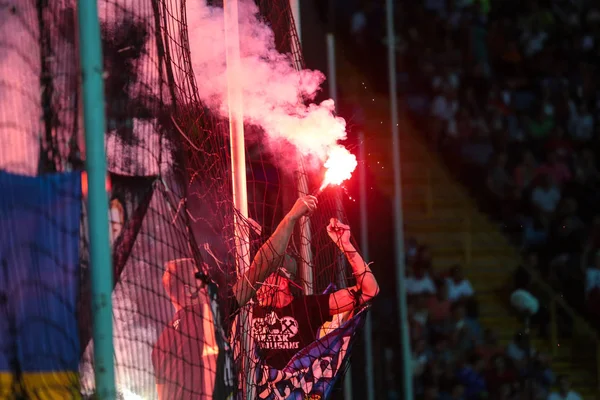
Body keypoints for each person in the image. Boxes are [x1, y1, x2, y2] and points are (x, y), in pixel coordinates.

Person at [152, 196, 319, 399]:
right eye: (202, 278)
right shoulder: (207, 314)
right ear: (188, 291)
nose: (210, 282)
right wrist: (291, 217)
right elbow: (262, 266)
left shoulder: (161, 343)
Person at [248, 202, 379, 370]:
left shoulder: (309, 307)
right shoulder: (247, 311)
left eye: (264, 277)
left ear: (281, 282)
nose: (257, 283)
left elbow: (369, 291)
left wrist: (345, 245)